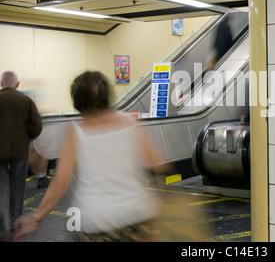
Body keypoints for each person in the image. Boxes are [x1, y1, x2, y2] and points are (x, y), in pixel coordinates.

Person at [13, 71, 171, 242]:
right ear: (107, 96)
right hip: (139, 215)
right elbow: (158, 164)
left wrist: (37, 218)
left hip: (97, 223)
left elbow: (60, 182)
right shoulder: (130, 122)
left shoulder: (76, 134)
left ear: (78, 102)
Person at [0, 71, 42, 242]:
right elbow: (37, 126)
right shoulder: (26, 101)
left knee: (0, 189)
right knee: (18, 189)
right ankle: (15, 226)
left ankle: (1, 225)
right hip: (19, 152)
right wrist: (26, 138)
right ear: (17, 84)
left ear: (2, 84)